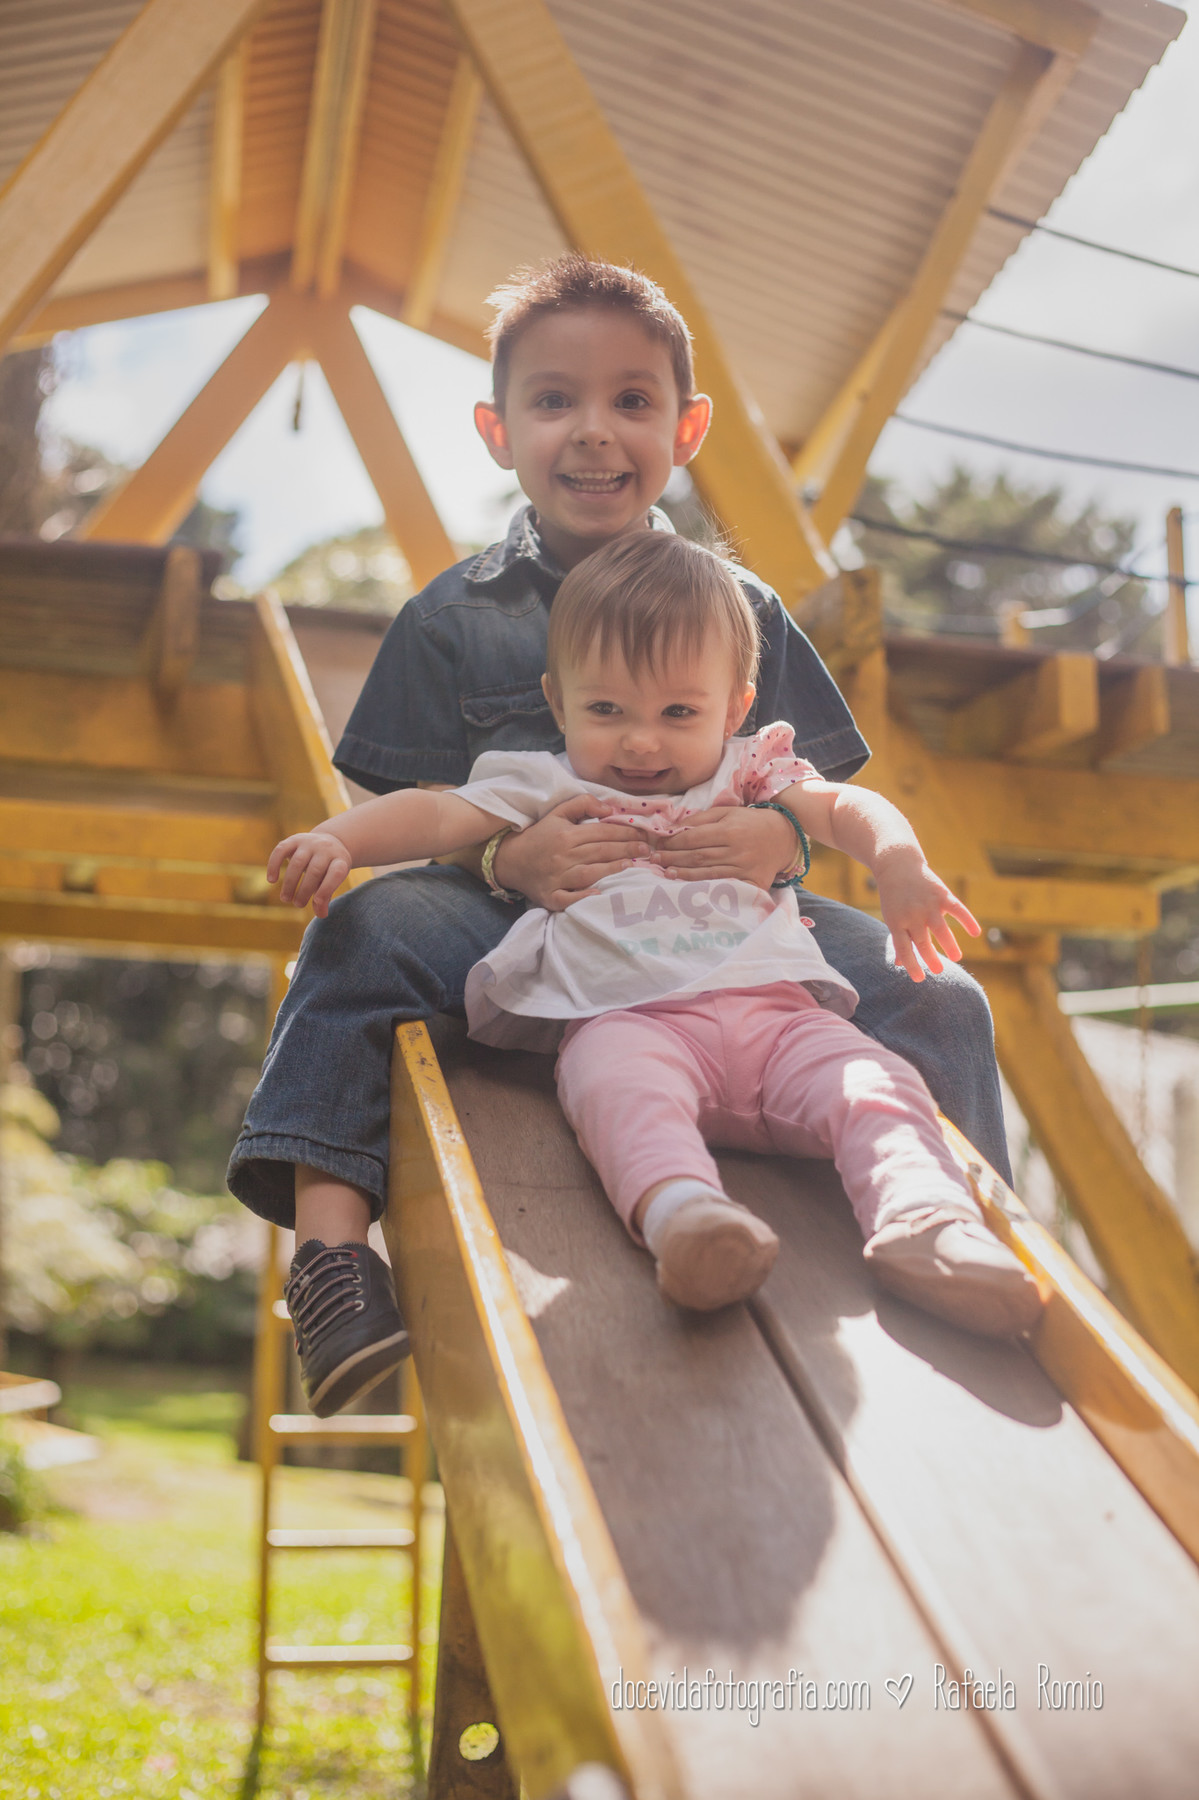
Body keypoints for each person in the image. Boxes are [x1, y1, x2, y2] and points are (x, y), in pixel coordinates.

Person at [228, 253, 1011, 1417]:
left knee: (940, 996)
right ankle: (336, 1262)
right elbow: (435, 820)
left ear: (685, 428)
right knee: (365, 928)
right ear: (499, 429)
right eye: (555, 400)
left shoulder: (741, 608)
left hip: (729, 920)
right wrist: (503, 859)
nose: (593, 432)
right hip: (518, 918)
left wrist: (781, 848)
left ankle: (957, 1225)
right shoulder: (451, 619)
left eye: (631, 400)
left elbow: (807, 794)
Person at [270, 532, 1041, 1392]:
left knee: (877, 1088)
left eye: (679, 714)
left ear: (734, 706)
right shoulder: (544, 779)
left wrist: (897, 860)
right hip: (629, 1024)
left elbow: (842, 804)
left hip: (781, 1020)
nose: (641, 744)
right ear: (557, 704)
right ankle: (687, 1221)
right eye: (608, 712)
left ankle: (929, 1224)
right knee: (615, 1094)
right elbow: (435, 814)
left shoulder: (750, 770)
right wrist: (338, 839)